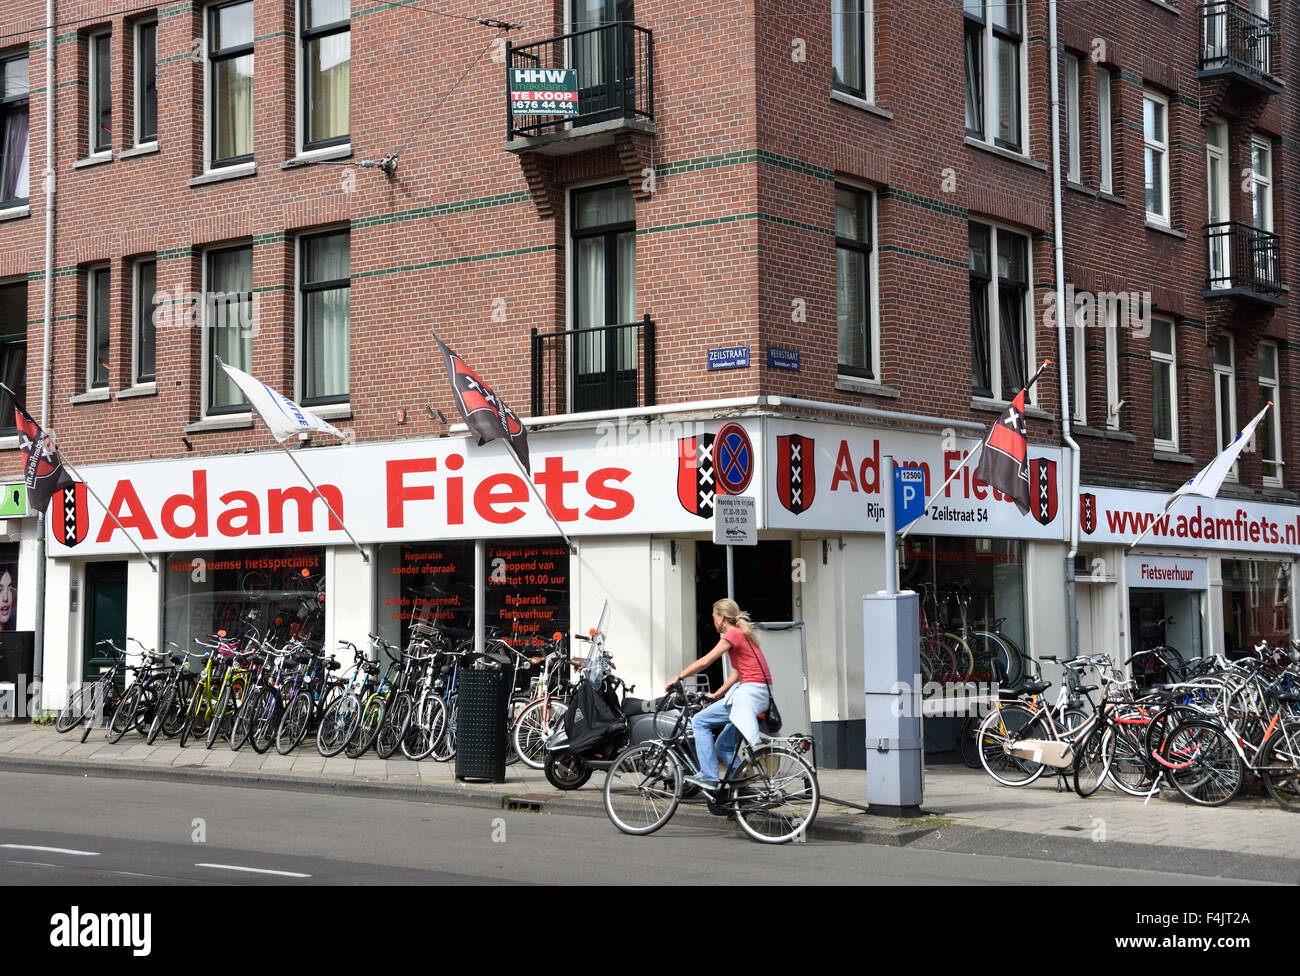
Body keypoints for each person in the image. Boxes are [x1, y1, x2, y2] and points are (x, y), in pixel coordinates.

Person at [666, 598, 772, 790]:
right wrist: (717, 694)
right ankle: (741, 790)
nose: (713, 621)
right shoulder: (744, 634)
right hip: (760, 693)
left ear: (721, 617)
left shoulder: (732, 634)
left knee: (699, 721)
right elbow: (740, 671)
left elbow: (706, 661)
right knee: (723, 745)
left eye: (714, 617)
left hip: (749, 695)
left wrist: (679, 677)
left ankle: (708, 776)